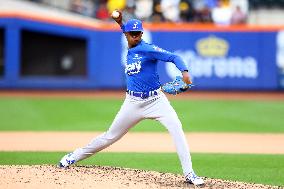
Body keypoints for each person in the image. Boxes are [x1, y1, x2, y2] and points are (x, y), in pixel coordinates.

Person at [58, 10, 205, 186]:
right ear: (126, 34)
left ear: (142, 34)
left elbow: (174, 57)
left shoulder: (147, 49)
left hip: (156, 101)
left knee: (177, 130)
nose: (135, 36)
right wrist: (120, 22)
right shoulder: (130, 42)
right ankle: (73, 156)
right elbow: (126, 31)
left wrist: (185, 72)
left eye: (138, 33)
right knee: (110, 137)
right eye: (132, 33)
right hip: (132, 103)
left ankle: (189, 174)